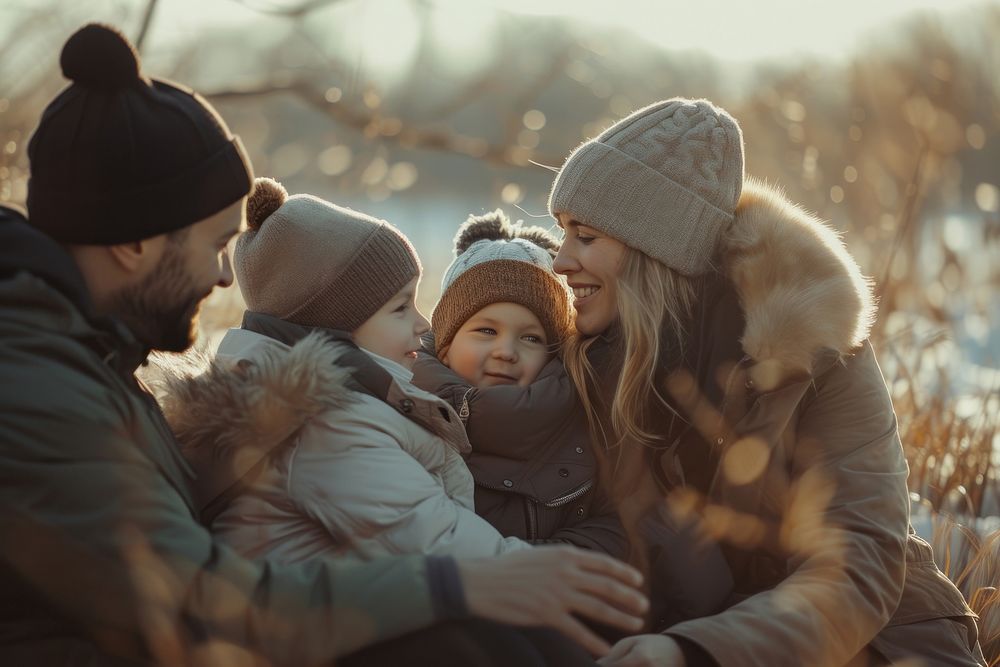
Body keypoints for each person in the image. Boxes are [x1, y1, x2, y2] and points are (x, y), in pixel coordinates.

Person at [0, 23, 648, 666]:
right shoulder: (38, 388)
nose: (225, 275)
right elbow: (196, 606)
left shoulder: (87, 358)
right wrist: (452, 583)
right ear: (133, 243)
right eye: (214, 244)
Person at [546, 97, 985, 667]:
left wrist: (693, 651)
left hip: (869, 644)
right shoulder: (583, 352)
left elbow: (857, 563)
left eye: (585, 236)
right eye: (563, 233)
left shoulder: (818, 354)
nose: (559, 261)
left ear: (653, 248)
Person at [162, 177, 536, 562]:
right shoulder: (328, 429)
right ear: (334, 323)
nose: (423, 325)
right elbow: (457, 553)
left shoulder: (317, 408)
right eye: (401, 307)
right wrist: (583, 575)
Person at [411, 209, 733, 631]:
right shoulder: (410, 416)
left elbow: (621, 528)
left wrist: (539, 562)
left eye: (530, 338)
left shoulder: (581, 423)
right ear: (447, 344)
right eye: (486, 331)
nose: (506, 351)